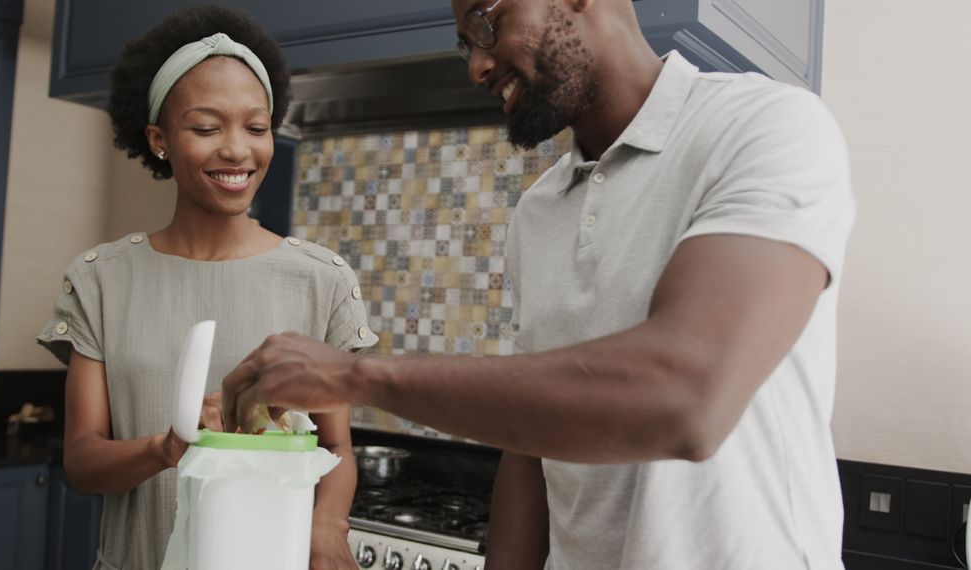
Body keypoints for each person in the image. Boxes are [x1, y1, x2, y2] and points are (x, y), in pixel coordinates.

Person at [221, 0, 855, 568]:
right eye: (464, 45)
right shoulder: (539, 210)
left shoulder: (767, 127)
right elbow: (529, 448)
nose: (475, 66)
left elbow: (687, 398)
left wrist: (354, 375)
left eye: (482, 23)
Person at [37, 5, 376, 569]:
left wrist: (328, 527)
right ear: (159, 139)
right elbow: (82, 460)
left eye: (256, 127)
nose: (237, 150)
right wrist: (166, 447)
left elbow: (336, 447)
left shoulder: (322, 280)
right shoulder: (100, 279)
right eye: (206, 127)